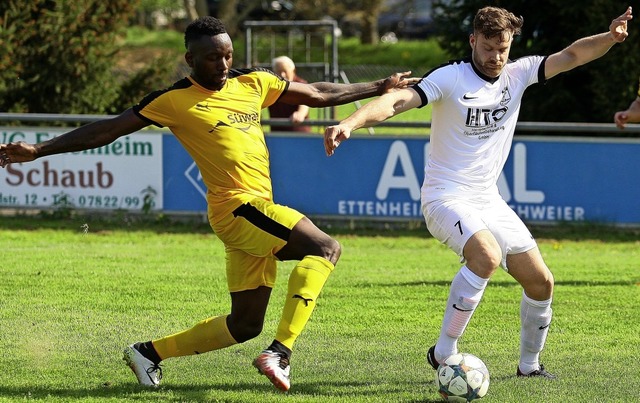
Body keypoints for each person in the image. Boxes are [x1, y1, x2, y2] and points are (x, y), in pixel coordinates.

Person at [0, 16, 416, 391]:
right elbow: (106, 131)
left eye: (228, 55)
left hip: (253, 215)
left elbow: (319, 92)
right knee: (326, 248)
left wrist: (378, 87)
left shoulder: (253, 82)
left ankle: (148, 353)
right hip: (238, 208)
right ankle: (281, 353)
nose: (222, 64)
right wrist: (39, 150)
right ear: (190, 59)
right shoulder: (173, 100)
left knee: (245, 324)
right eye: (213, 57)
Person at [324, 6, 632, 379]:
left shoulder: (518, 74)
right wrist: (351, 122)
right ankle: (443, 352)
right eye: (488, 48)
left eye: (502, 49)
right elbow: (396, 102)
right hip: (444, 197)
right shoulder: (450, 78)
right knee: (485, 255)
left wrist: (610, 37)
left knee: (541, 282)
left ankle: (529, 367)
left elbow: (572, 55)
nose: (495, 57)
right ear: (473, 41)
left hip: (488, 199)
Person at [268, 55, 312, 132]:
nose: (282, 75)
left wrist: (300, 113)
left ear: (293, 70)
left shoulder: (301, 84)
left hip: (297, 132)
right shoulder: (271, 87)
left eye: (285, 71)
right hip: (277, 133)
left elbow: (305, 103)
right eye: (279, 71)